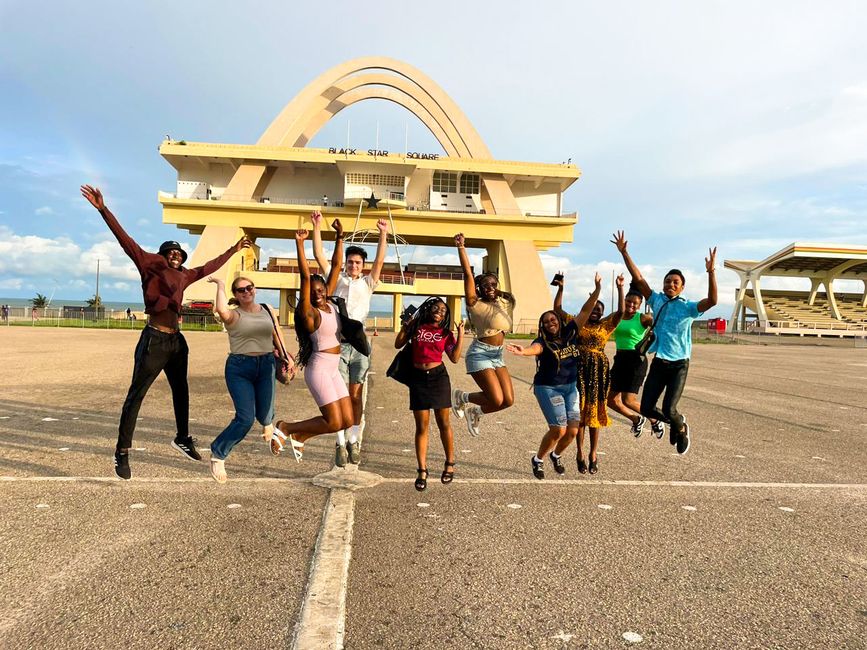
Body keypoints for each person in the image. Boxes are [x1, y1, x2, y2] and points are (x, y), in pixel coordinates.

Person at [80, 184, 251, 480]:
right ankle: (121, 451)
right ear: (162, 254)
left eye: (179, 253)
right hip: (154, 339)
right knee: (137, 395)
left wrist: (233, 251)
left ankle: (182, 437)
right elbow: (126, 241)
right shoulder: (150, 264)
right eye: (171, 251)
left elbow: (209, 265)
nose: (176, 255)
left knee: (181, 389)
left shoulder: (184, 274)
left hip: (176, 341)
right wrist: (103, 210)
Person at [611, 230, 717, 454]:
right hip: (660, 362)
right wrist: (624, 252)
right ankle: (675, 424)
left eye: (675, 282)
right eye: (667, 281)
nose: (670, 284)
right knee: (648, 407)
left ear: (681, 287)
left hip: (679, 364)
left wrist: (711, 272)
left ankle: (680, 425)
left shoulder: (688, 307)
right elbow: (639, 279)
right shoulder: (657, 300)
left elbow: (713, 301)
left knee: (670, 409)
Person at [271, 220, 363, 460]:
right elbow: (304, 276)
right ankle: (287, 428)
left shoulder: (331, 304)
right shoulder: (308, 313)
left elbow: (335, 266)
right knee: (333, 422)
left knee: (348, 420)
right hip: (320, 369)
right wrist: (300, 244)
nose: (318, 291)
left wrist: (340, 237)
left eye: (321, 287)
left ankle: (301, 436)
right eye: (313, 290)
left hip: (333, 368)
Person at [505, 275, 602, 479]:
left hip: (570, 388)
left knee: (573, 432)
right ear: (542, 326)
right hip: (549, 388)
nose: (550, 323)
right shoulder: (542, 341)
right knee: (558, 429)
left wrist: (598, 288)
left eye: (553, 319)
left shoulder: (570, 332)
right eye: (546, 321)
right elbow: (535, 349)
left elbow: (586, 309)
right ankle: (538, 459)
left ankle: (556, 455)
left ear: (558, 321)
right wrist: (524, 352)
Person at [312, 211, 388, 466]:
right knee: (341, 396)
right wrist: (317, 226)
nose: (353, 265)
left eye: (357, 262)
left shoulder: (368, 283)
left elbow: (379, 261)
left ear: (362, 265)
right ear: (345, 262)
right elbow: (320, 256)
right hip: (338, 345)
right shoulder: (336, 279)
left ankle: (354, 439)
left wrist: (384, 233)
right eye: (350, 261)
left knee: (356, 395)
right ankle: (340, 442)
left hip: (360, 346)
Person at [206, 275, 293, 483]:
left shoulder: (267, 309)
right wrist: (221, 284)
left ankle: (267, 423)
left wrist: (285, 355)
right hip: (239, 368)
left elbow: (276, 334)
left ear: (254, 289)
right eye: (241, 290)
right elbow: (220, 308)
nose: (246, 292)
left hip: (266, 365)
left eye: (249, 288)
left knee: (264, 416)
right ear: (236, 295)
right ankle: (218, 454)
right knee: (245, 418)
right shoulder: (233, 316)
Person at [550, 274, 623, 474]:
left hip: (599, 372)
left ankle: (593, 453)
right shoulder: (577, 322)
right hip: (578, 370)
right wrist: (561, 288)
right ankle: (580, 453)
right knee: (580, 415)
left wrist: (619, 288)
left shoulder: (606, 325)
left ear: (602, 313)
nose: (594, 311)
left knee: (594, 415)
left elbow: (622, 311)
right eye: (592, 308)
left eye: (599, 310)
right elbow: (557, 310)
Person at [394, 298, 465, 490]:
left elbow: (455, 358)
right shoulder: (417, 327)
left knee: (444, 423)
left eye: (443, 310)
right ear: (428, 309)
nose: (440, 311)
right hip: (418, 379)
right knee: (422, 426)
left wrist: (461, 335)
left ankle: (449, 463)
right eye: (436, 307)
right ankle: (422, 470)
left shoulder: (445, 333)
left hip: (438, 378)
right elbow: (397, 343)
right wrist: (405, 327)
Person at [450, 233, 516, 437]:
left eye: (493, 285)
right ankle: (462, 396)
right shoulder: (475, 304)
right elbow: (467, 275)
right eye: (486, 285)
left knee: (508, 400)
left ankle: (475, 412)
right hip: (480, 354)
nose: (490, 288)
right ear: (480, 288)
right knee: (496, 399)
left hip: (498, 354)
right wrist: (462, 248)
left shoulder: (503, 302)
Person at [606, 288, 664, 439]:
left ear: (639, 305)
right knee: (610, 400)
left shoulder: (643, 318)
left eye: (635, 303)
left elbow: (662, 326)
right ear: (624, 301)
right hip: (619, 360)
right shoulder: (616, 316)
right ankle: (636, 419)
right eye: (628, 301)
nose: (631, 305)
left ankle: (656, 420)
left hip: (636, 361)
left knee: (628, 400)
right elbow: (598, 324)